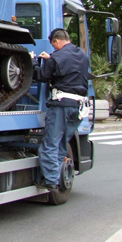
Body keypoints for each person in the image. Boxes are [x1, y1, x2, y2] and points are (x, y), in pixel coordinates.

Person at [32, 28, 90, 192]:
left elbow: (42, 76)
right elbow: (69, 69)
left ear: (56, 41)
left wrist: (35, 61)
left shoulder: (56, 58)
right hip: (78, 107)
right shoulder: (82, 55)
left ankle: (50, 181)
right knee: (62, 143)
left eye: (53, 45)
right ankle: (56, 176)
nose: (54, 48)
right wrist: (51, 60)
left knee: (50, 143)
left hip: (62, 105)